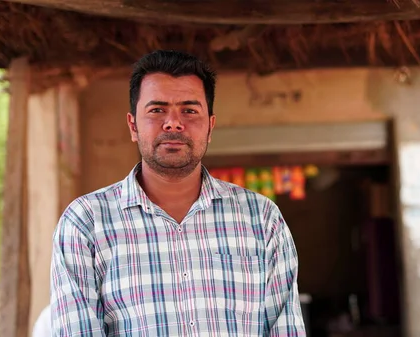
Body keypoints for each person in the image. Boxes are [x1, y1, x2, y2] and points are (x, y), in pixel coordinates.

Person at [50, 50, 305, 337]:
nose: (173, 123)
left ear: (210, 126)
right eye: (157, 110)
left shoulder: (261, 218)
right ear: (133, 125)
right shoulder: (86, 223)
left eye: (189, 110)